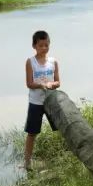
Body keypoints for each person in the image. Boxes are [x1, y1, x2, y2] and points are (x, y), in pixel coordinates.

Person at [23, 30, 60, 171]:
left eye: (46, 45)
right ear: (34, 46)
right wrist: (41, 85)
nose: (44, 48)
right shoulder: (30, 62)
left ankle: (61, 157)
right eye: (40, 46)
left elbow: (58, 82)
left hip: (51, 101)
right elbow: (29, 83)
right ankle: (27, 163)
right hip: (36, 103)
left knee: (60, 129)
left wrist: (52, 85)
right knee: (32, 133)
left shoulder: (53, 62)